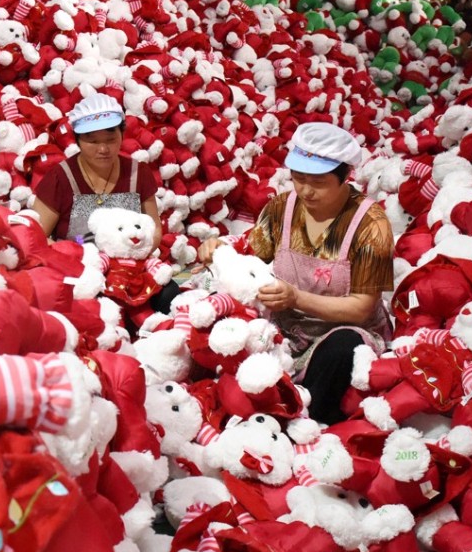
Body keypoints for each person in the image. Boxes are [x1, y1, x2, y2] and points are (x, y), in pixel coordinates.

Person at [198, 122, 394, 425]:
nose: (305, 190)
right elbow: (253, 250)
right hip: (283, 327)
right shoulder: (282, 208)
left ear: (345, 177)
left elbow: (361, 307)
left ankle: (304, 418)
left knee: (343, 349)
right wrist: (220, 246)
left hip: (339, 330)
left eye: (317, 182)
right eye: (298, 179)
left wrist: (296, 298)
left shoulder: (371, 225)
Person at [32, 93, 180, 316]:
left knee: (169, 294)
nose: (103, 149)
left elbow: (154, 228)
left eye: (110, 140)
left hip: (130, 268)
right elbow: (37, 236)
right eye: (92, 141)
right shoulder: (61, 178)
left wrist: (129, 256)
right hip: (80, 270)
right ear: (77, 140)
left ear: (122, 134)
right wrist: (78, 257)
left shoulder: (137, 173)